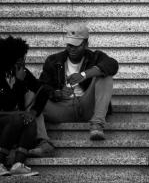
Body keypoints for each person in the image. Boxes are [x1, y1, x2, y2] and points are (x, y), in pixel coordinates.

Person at [29, 23, 119, 157]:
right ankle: (43, 143)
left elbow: (112, 65)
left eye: (76, 45)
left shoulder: (95, 57)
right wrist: (56, 93)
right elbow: (43, 85)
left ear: (86, 44)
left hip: (87, 105)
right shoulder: (54, 60)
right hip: (62, 108)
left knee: (105, 76)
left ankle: (97, 124)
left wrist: (84, 75)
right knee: (30, 95)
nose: (72, 49)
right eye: (69, 44)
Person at [0, 36, 50, 177]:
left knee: (28, 118)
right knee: (19, 117)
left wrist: (33, 112)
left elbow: (43, 91)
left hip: (14, 122)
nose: (23, 60)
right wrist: (19, 82)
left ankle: (18, 165)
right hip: (3, 120)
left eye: (23, 57)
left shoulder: (21, 71)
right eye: (19, 58)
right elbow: (7, 103)